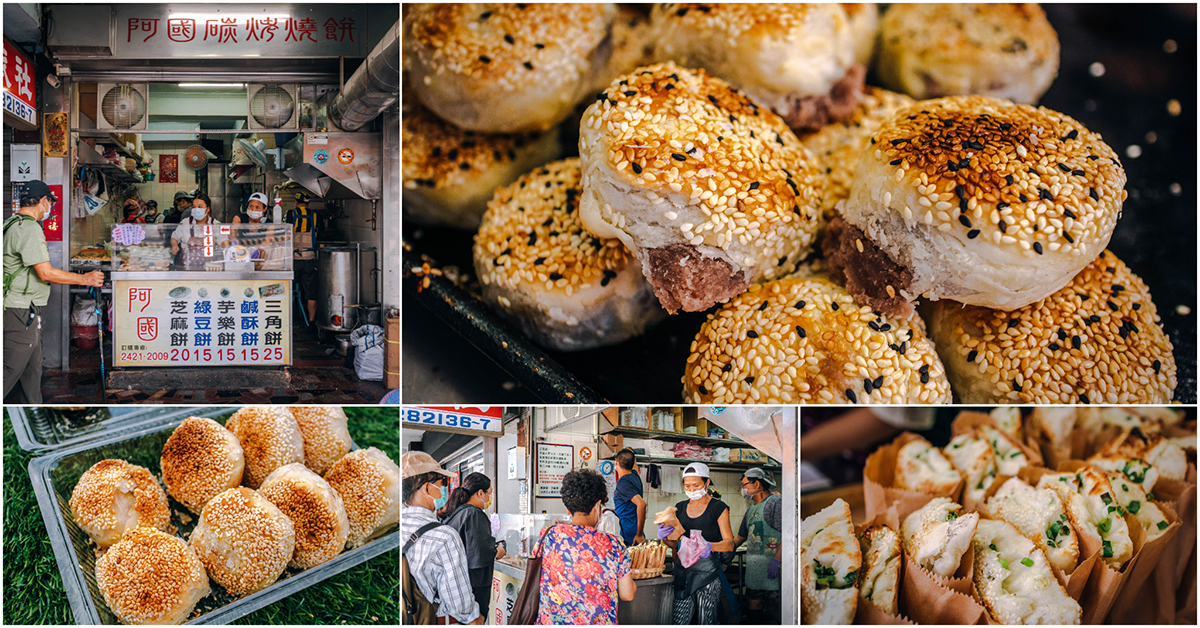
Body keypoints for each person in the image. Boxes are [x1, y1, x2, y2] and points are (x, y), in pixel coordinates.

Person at [3, 181, 104, 403]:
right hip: (18, 309)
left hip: (25, 309)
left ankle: (35, 410)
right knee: (10, 370)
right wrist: (85, 278)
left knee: (32, 369)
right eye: (50, 202)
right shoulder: (28, 228)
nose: (50, 208)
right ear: (43, 201)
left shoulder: (11, 222)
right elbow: (46, 273)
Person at [537, 468, 636, 625]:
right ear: (598, 505)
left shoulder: (548, 535)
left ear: (567, 508)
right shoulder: (615, 545)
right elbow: (628, 594)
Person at [402, 452, 484, 625]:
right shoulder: (444, 537)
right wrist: (474, 617)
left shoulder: (394, 526)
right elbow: (460, 605)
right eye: (441, 483)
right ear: (426, 488)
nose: (445, 490)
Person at [659, 462, 736, 625]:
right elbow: (674, 545)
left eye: (696, 485)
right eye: (687, 485)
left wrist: (709, 547)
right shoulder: (679, 508)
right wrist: (664, 537)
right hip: (683, 574)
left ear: (707, 483)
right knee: (680, 620)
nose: (691, 490)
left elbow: (729, 544)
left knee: (706, 620)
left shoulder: (718, 508)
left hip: (707, 575)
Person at [439, 473, 506, 621]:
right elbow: (479, 554)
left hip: (455, 586)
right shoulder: (474, 513)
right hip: (473, 586)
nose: (489, 499)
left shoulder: (454, 513)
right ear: (480, 493)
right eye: (489, 493)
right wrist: (498, 551)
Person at [732, 468, 783, 624]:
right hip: (754, 570)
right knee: (753, 604)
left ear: (758, 483)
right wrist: (721, 550)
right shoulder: (751, 510)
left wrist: (777, 560)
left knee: (774, 608)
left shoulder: (775, 503)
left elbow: (788, 535)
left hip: (772, 569)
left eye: (744, 485)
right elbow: (740, 537)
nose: (742, 490)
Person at [286, 191, 318, 326]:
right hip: (309, 259)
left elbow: (285, 232)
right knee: (311, 292)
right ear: (308, 203)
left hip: (293, 258)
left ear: (296, 202)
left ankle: (288, 319)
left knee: (288, 289)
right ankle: (311, 323)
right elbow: (320, 232)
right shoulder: (315, 214)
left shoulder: (290, 213)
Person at [170, 193, 228, 270]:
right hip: (187, 267)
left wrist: (227, 247)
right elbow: (174, 237)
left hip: (209, 267)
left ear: (207, 209)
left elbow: (223, 241)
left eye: (200, 207)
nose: (196, 209)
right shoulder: (186, 223)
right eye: (194, 207)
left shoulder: (215, 224)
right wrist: (174, 245)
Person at [612, 448, 647, 546]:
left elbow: (642, 504)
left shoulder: (623, 483)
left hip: (629, 534)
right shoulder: (635, 476)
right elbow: (633, 465)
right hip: (635, 530)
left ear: (616, 462)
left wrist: (639, 534)